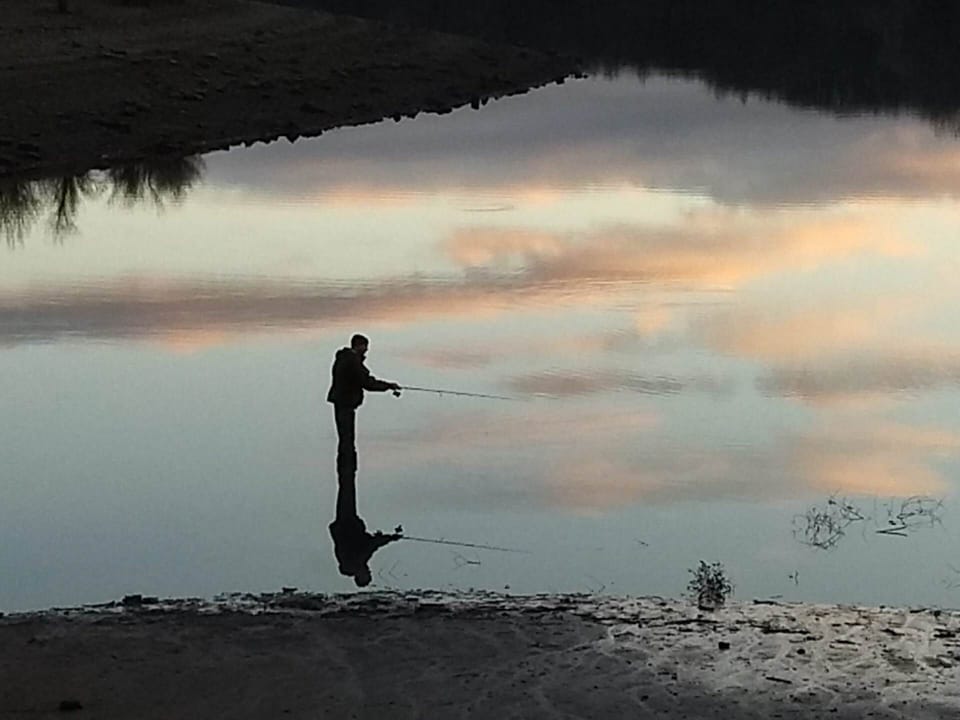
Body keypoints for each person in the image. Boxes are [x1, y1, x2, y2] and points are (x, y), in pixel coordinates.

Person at [326, 334, 401, 478]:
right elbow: (367, 383)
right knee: (347, 438)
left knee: (344, 437)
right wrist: (388, 386)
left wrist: (387, 386)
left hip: (341, 401)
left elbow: (363, 380)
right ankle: (347, 467)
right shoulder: (352, 361)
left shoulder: (343, 358)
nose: (367, 350)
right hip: (346, 403)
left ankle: (345, 468)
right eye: (365, 346)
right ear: (358, 346)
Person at [328, 466, 402, 587]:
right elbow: (370, 544)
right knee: (347, 488)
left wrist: (390, 538)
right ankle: (347, 469)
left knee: (346, 489)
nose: (369, 571)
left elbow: (371, 545)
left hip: (346, 522)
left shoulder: (355, 562)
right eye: (369, 573)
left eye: (367, 574)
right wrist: (387, 538)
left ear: (359, 576)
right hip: (348, 523)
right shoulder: (357, 562)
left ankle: (347, 467)